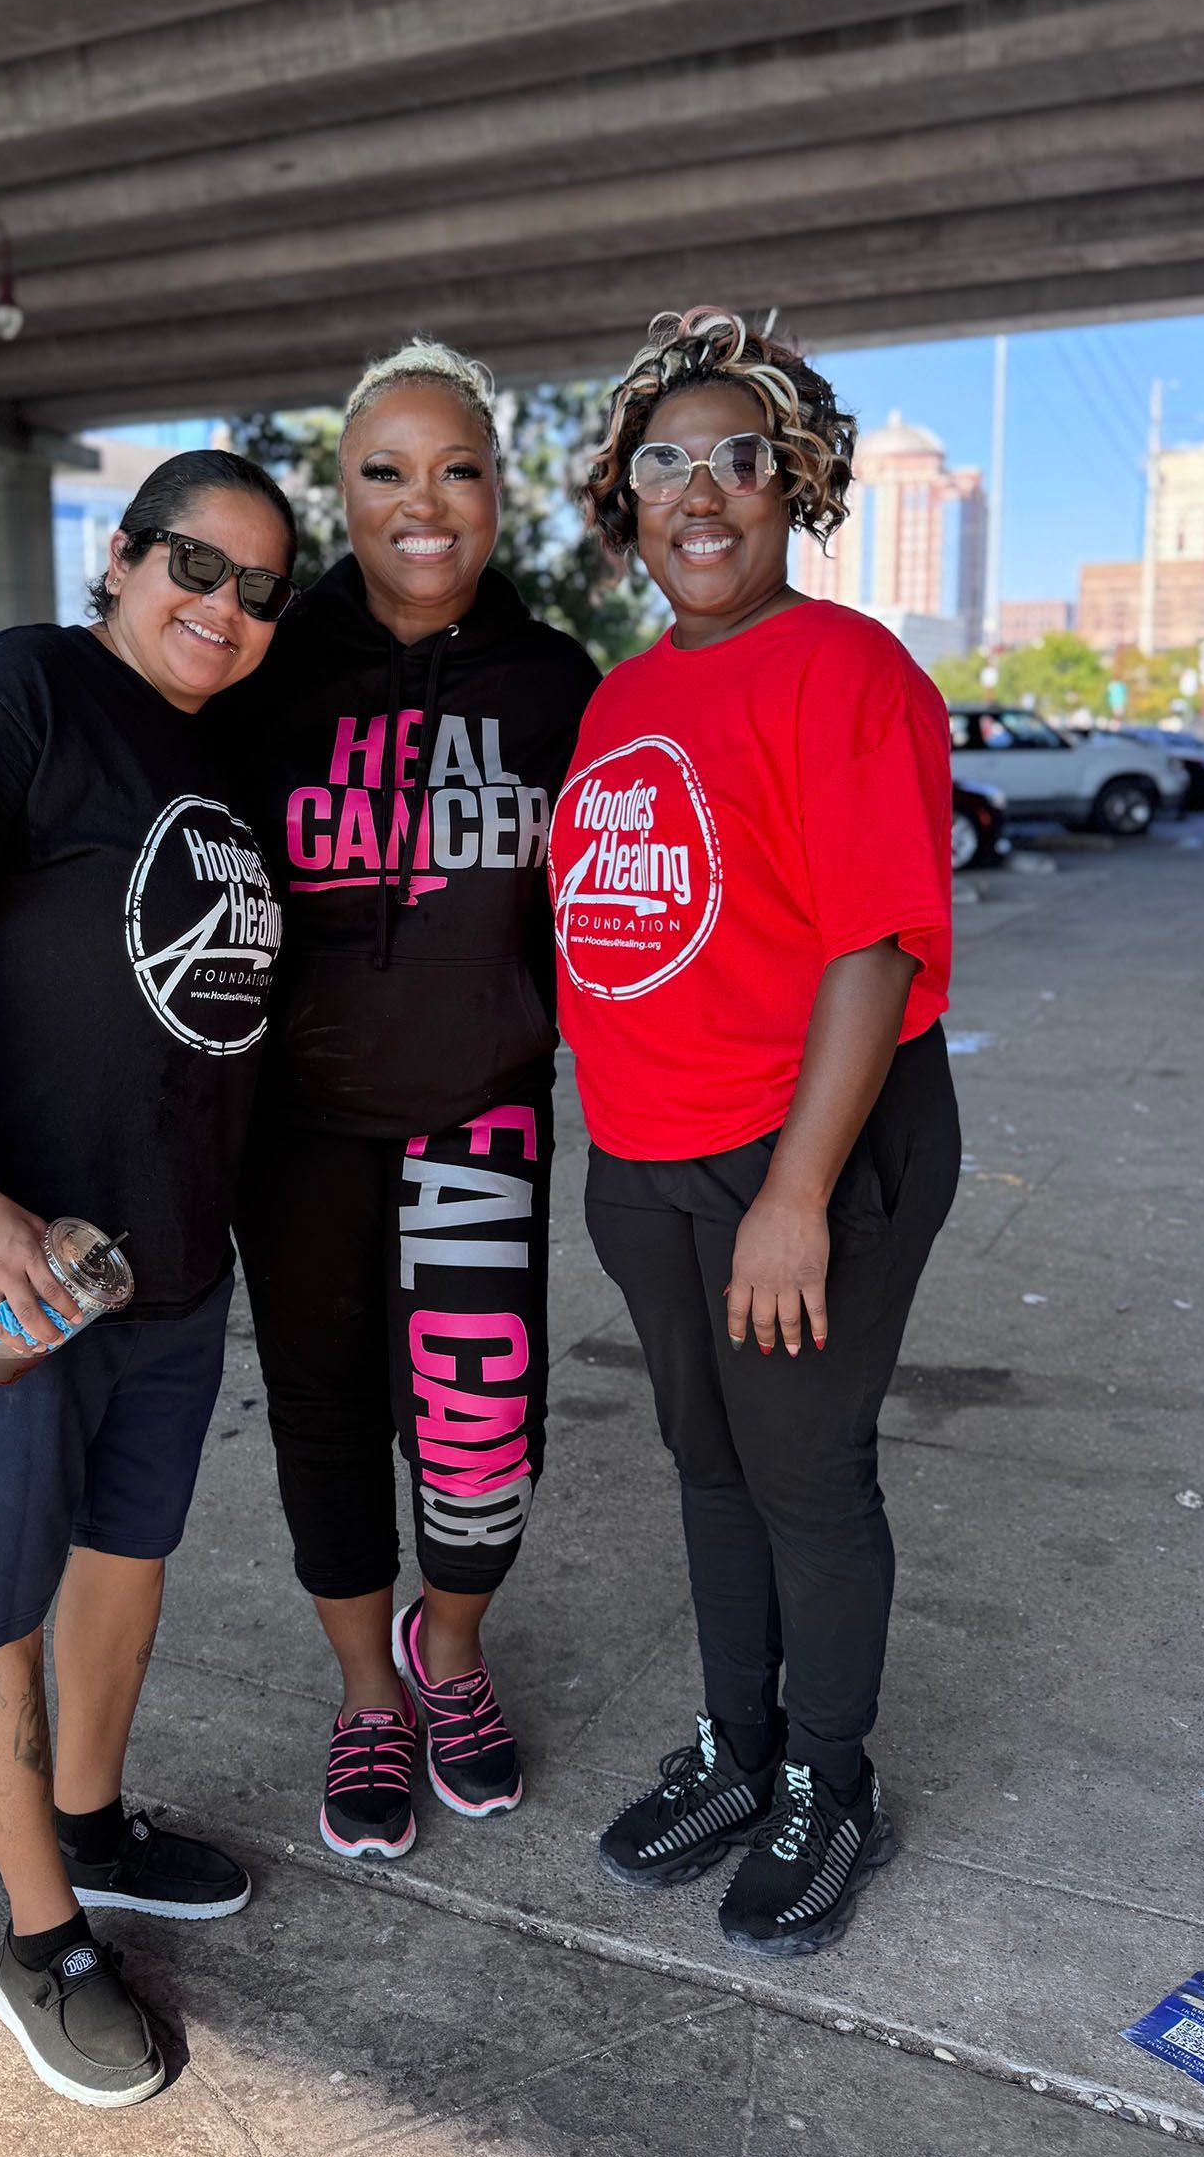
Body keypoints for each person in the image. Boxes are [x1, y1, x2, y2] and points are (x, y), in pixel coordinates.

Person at [0, 451, 296, 2108]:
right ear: (122, 557)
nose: (224, 608)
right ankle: (39, 1937)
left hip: (166, 1261)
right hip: (10, 1270)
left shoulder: (219, 753)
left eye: (261, 590)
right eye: (196, 565)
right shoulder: (21, 686)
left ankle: (94, 1829)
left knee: (128, 1560)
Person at [549, 307, 959, 1957]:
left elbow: (871, 945)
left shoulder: (849, 669)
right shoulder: (618, 697)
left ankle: (832, 1783)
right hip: (647, 1162)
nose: (699, 492)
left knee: (804, 1475)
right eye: (663, 462)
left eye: (738, 459)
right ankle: (741, 1747)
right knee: (707, 1470)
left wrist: (796, 1196)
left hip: (809, 1153)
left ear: (794, 487)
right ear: (623, 500)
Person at [229, 341, 599, 1861]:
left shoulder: (558, 681)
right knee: (320, 1408)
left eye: (456, 469)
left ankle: (452, 1658)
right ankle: (365, 1693)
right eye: (386, 470)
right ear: (344, 491)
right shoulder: (268, 672)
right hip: (298, 1117)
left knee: (479, 1415)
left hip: (481, 1099)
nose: (423, 502)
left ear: (499, 495)